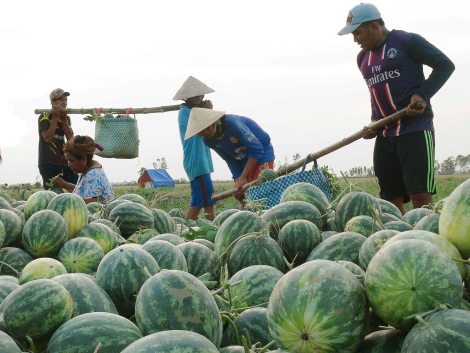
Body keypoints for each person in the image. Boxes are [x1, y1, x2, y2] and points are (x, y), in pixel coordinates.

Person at [338, 3, 455, 214]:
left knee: (420, 193)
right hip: (385, 132)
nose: (355, 39)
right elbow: (376, 93)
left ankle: (425, 236)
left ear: (374, 26)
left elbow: (445, 65)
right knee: (390, 198)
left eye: (357, 32)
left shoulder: (406, 41)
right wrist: (374, 122)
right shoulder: (362, 58)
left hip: (415, 129)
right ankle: (398, 239)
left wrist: (423, 94)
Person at [185, 108, 275, 206]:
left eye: (207, 128)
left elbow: (256, 149)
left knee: (262, 189)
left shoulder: (232, 124)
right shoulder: (208, 141)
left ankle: (271, 213)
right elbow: (229, 158)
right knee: (244, 193)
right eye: (201, 132)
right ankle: (250, 214)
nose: (205, 133)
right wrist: (237, 178)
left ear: (214, 122)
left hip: (262, 152)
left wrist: (243, 176)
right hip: (241, 157)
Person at [173, 76, 216, 221]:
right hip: (196, 162)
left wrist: (205, 110)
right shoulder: (185, 112)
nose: (198, 97)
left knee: (199, 200)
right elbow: (202, 127)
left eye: (200, 94)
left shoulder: (195, 111)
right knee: (207, 199)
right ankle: (212, 228)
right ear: (187, 97)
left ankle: (187, 230)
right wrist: (208, 111)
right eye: (195, 95)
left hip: (201, 162)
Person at [51, 135, 114, 204]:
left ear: (83, 159)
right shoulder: (86, 171)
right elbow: (81, 192)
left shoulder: (94, 176)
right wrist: (64, 184)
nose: (68, 164)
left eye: (71, 160)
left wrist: (64, 203)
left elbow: (91, 204)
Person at [38, 88, 78, 189]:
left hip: (63, 162)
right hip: (48, 163)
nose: (64, 103)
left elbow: (70, 140)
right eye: (61, 100)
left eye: (65, 100)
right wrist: (55, 117)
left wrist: (64, 119)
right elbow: (47, 138)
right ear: (53, 102)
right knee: (53, 193)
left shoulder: (66, 118)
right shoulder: (45, 116)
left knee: (78, 187)